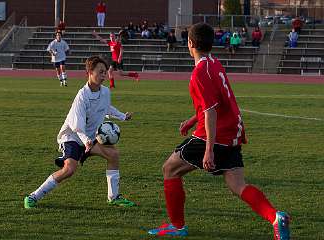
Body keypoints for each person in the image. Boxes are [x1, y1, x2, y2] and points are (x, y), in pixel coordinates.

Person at [147, 23, 290, 240]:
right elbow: (216, 103)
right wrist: (192, 120)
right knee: (237, 185)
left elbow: (212, 111)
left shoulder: (199, 73)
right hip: (232, 132)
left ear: (190, 43)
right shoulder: (214, 63)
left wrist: (208, 150)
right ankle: (275, 217)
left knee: (170, 169)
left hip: (216, 135)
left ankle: (177, 226)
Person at [24, 56, 136, 209]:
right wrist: (86, 141)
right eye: (100, 72)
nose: (103, 75)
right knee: (69, 170)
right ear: (89, 72)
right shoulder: (82, 96)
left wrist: (123, 116)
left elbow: (106, 107)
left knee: (113, 155)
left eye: (105, 72)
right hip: (72, 137)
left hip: (89, 138)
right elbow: (77, 125)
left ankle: (114, 197)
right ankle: (33, 196)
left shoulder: (105, 92)